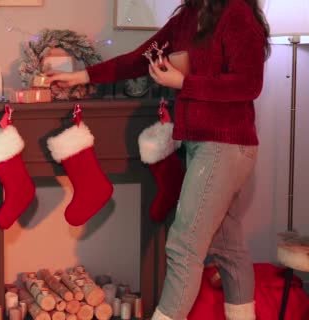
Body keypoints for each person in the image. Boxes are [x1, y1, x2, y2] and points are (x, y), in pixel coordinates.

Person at [47, 0, 270, 319]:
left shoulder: (236, 13)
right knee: (228, 249)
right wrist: (82, 76)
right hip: (202, 145)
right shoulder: (188, 16)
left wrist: (183, 83)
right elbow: (139, 59)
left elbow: (249, 84)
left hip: (226, 145)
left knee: (183, 247)